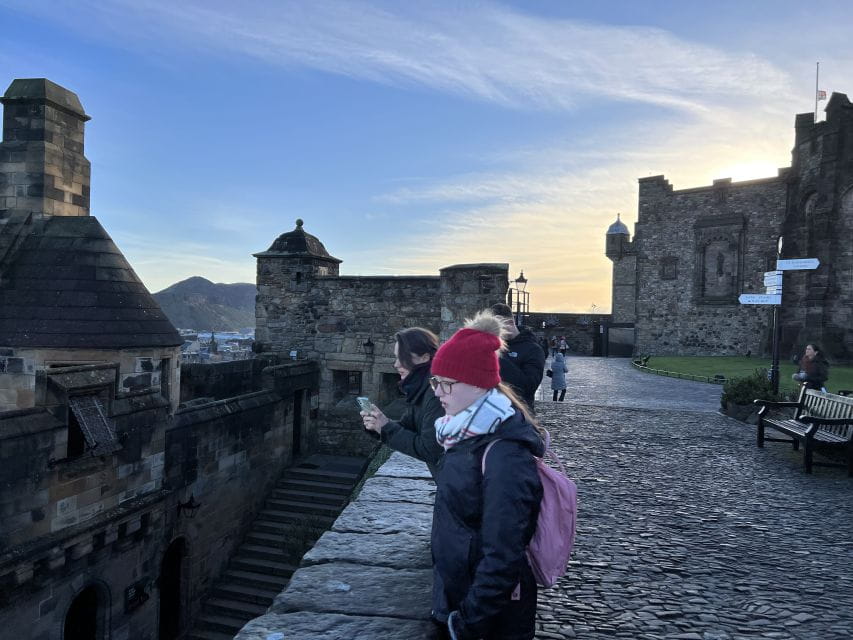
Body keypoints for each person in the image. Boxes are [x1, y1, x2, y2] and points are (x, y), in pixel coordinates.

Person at [429, 310, 544, 640]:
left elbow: (503, 552)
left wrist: (466, 622)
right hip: (458, 596)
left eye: (446, 383)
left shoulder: (504, 452)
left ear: (477, 384)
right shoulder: (464, 433)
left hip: (490, 619)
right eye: (435, 382)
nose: (438, 392)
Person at [361, 327, 445, 477]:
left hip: (462, 488)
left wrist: (386, 427)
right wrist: (378, 423)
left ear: (425, 357)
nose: (396, 364)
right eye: (396, 357)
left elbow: (430, 450)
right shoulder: (421, 387)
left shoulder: (436, 393)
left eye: (402, 357)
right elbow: (408, 428)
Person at [489, 303, 546, 412]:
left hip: (519, 415)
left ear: (510, 323)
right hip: (491, 413)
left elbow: (529, 386)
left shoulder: (533, 349)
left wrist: (496, 357)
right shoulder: (493, 345)